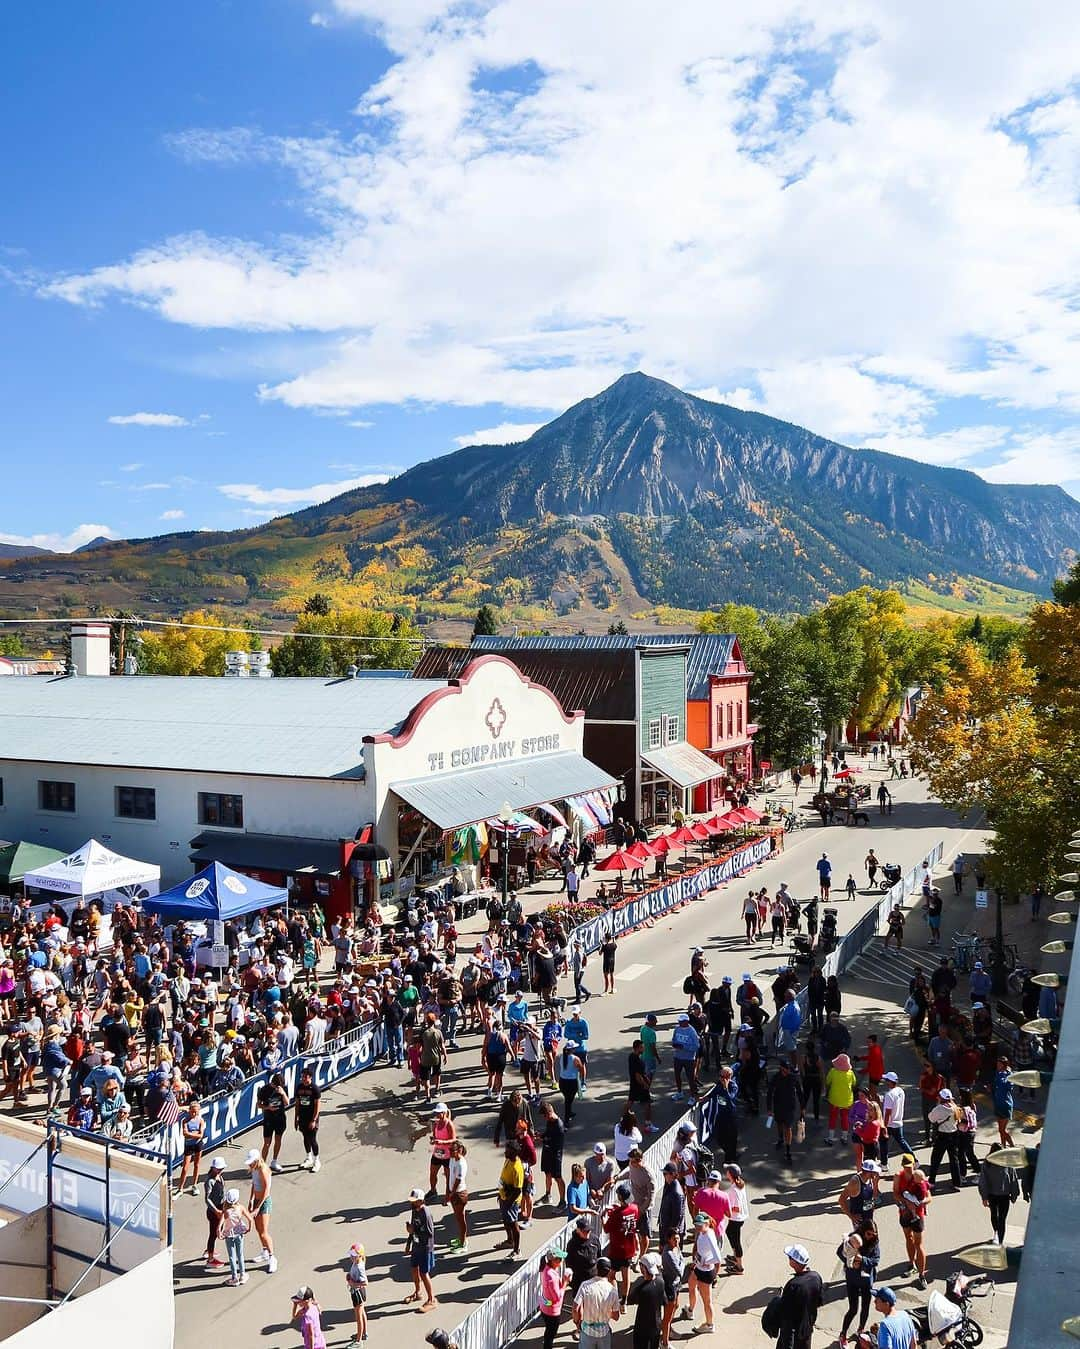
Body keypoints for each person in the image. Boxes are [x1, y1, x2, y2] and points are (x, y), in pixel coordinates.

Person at [838, 1220, 880, 1348]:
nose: (871, 1236)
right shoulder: (853, 1238)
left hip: (866, 1281)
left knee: (865, 1307)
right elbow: (840, 1252)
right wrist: (849, 1263)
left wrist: (863, 1260)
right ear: (862, 1231)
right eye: (868, 1234)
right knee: (853, 1309)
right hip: (853, 1280)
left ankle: (860, 1330)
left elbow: (876, 1260)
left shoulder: (874, 1242)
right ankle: (843, 1334)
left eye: (873, 1234)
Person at [891, 1156, 930, 1290]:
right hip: (904, 1213)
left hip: (917, 1215)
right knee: (908, 1238)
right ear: (902, 1166)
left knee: (918, 1244)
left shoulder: (919, 1176)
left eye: (910, 1166)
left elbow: (929, 1197)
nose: (908, 1169)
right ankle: (911, 1264)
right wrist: (904, 1201)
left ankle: (922, 1275)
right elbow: (895, 1194)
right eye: (906, 1166)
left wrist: (920, 1202)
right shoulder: (898, 1176)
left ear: (914, 1164)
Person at [775, 1244, 824, 1349]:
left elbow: (786, 1315)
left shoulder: (793, 1285)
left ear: (795, 1262)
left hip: (792, 1333)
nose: (789, 1260)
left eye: (790, 1258)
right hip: (807, 1329)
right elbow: (819, 1301)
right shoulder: (816, 1276)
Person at [574, 1256, 621, 1349]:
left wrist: (577, 1321)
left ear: (596, 1269)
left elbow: (575, 1308)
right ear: (609, 1271)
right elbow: (616, 1316)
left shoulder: (585, 1285)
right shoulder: (613, 1290)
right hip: (604, 1333)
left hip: (587, 1332)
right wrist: (606, 1312)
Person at [603, 1182, 640, 1303]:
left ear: (620, 1197)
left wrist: (603, 1218)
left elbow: (606, 1228)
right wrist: (616, 1208)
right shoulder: (635, 1208)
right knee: (626, 1275)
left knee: (611, 1275)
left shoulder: (616, 1214)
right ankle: (624, 1301)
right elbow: (626, 1212)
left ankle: (614, 1299)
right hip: (630, 1248)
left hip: (617, 1250)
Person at [686, 1212, 721, 1333]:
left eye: (700, 1226)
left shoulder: (710, 1236)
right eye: (696, 1225)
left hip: (706, 1272)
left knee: (707, 1301)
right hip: (698, 1268)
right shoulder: (702, 1232)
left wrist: (707, 1261)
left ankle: (710, 1325)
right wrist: (697, 1260)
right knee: (691, 1285)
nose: (697, 1228)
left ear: (706, 1224)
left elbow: (718, 1258)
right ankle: (690, 1310)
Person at [978, 1143, 1021, 1245]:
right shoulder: (1007, 1163)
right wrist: (1014, 1194)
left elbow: (983, 1181)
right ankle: (1000, 1239)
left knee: (995, 1215)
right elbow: (1013, 1179)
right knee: (1002, 1218)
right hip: (1004, 1196)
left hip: (992, 1195)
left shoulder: (987, 1163)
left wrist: (984, 1197)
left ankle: (996, 1234)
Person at [246, 1148, 278, 1273]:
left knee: (264, 1232)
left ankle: (272, 1257)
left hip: (264, 1203)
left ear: (257, 1160)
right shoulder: (254, 1169)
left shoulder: (264, 1170)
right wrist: (251, 1200)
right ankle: (265, 1251)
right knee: (258, 1229)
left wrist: (258, 1207)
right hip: (256, 1202)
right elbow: (254, 1185)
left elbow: (266, 1191)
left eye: (251, 1162)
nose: (249, 1164)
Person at [406, 1187, 438, 1308]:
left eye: (414, 1201)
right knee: (414, 1268)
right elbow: (412, 1227)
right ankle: (418, 1292)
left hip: (425, 1247)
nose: (411, 1203)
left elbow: (430, 1233)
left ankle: (431, 1299)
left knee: (424, 1273)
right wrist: (408, 1244)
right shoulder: (415, 1210)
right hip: (416, 1245)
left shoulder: (426, 1214)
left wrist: (415, 1231)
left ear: (420, 1200)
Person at [627, 1252, 667, 1349]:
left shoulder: (642, 1289)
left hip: (642, 1327)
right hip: (656, 1324)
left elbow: (630, 1299)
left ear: (643, 1268)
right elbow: (665, 1301)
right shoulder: (660, 1282)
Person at [926, 1088, 962, 1190]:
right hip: (954, 1134)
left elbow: (931, 1118)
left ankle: (932, 1182)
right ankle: (957, 1183)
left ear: (941, 1098)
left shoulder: (939, 1109)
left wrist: (937, 1105)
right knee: (954, 1159)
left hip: (942, 1136)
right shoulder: (955, 1108)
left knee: (936, 1159)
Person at [539, 1247, 571, 1349]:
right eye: (560, 1259)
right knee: (551, 1334)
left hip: (545, 1306)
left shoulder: (546, 1269)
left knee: (548, 1332)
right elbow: (557, 1297)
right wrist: (565, 1282)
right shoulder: (551, 1276)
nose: (561, 1261)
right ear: (553, 1260)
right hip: (552, 1311)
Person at [220, 1187, 252, 1287]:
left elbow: (220, 1223)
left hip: (229, 1235)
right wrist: (249, 1228)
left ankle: (234, 1278)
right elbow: (250, 1219)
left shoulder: (226, 1210)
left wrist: (219, 1231)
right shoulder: (240, 1208)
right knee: (240, 1255)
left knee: (231, 1257)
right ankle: (242, 1275)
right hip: (239, 1234)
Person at [498, 1145, 525, 1261]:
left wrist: (508, 1202)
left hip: (511, 1201)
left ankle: (517, 1250)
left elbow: (518, 1190)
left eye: (507, 1151)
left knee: (513, 1223)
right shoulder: (508, 1160)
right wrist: (500, 1194)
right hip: (504, 1197)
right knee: (506, 1220)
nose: (505, 1152)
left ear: (514, 1153)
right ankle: (510, 1240)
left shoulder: (517, 1168)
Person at [880, 1072, 914, 1164]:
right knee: (902, 1142)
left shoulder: (889, 1095)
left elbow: (888, 1113)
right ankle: (914, 1160)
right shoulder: (900, 1091)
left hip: (890, 1124)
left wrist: (884, 1127)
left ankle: (884, 1164)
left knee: (883, 1142)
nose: (885, 1082)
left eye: (886, 1080)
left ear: (890, 1082)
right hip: (898, 1122)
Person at [258, 1072, 290, 1171]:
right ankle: (261, 1165)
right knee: (267, 1143)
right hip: (269, 1119)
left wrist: (283, 1093)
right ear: (273, 1083)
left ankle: (274, 1161)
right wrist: (268, 1107)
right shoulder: (264, 1089)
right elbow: (259, 1105)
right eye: (276, 1086)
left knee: (278, 1140)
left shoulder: (283, 1089)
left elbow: (287, 1103)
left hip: (280, 1118)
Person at [295, 1066, 322, 1173]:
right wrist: (296, 1118)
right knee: (305, 1137)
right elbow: (297, 1103)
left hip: (311, 1118)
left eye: (305, 1077)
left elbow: (318, 1106)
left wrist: (314, 1120)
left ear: (310, 1078)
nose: (303, 1079)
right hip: (302, 1117)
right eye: (302, 1077)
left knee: (312, 1139)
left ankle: (317, 1161)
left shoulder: (315, 1089)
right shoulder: (299, 1088)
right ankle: (308, 1158)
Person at [825, 1053, 857, 1145]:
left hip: (834, 1100)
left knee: (833, 1118)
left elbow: (828, 1081)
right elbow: (854, 1083)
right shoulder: (850, 1073)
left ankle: (830, 1138)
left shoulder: (833, 1071)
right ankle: (844, 1137)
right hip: (847, 1100)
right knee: (845, 1118)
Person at [203, 1156, 228, 1270]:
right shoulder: (210, 1181)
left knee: (215, 1232)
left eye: (221, 1168)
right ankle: (210, 1259)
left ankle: (209, 1251)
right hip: (213, 1212)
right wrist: (216, 1210)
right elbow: (207, 1199)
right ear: (213, 1168)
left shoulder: (220, 1177)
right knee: (213, 1234)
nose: (220, 1170)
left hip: (220, 1208)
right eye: (218, 1168)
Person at [671, 1013, 700, 1104]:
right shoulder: (677, 1028)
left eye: (681, 1021)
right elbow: (674, 1039)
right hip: (677, 1057)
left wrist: (683, 1047)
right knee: (677, 1075)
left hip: (689, 1059)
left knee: (690, 1078)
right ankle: (679, 1092)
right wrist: (674, 1044)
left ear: (686, 1021)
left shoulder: (692, 1031)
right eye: (679, 1021)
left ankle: (692, 1097)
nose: (679, 1023)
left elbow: (696, 1046)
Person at [558, 1041, 588, 1124]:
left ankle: (569, 1113)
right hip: (571, 1083)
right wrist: (582, 1080)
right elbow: (582, 1069)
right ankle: (566, 1120)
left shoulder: (561, 1057)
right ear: (572, 1049)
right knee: (568, 1101)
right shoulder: (575, 1059)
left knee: (568, 1099)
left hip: (562, 1082)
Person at [658, 1162, 686, 1246]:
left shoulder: (676, 1193)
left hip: (671, 1233)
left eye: (665, 1173)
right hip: (666, 1228)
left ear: (673, 1174)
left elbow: (678, 1216)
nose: (664, 1176)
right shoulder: (669, 1186)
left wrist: (671, 1235)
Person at [345, 1243, 369, 1344]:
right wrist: (350, 1276)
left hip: (358, 1293)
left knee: (358, 1317)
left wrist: (352, 1283)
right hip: (357, 1292)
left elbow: (365, 1282)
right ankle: (364, 1333)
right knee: (362, 1313)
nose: (351, 1257)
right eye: (351, 1255)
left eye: (353, 1255)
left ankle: (358, 1341)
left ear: (359, 1255)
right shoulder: (357, 1262)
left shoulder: (359, 1267)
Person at [992, 1057, 1016, 1146]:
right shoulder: (998, 1073)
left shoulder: (1007, 1076)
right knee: (1000, 1130)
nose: (997, 1066)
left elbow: (1008, 1086)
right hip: (998, 1103)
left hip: (1005, 1104)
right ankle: (1003, 1145)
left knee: (1002, 1130)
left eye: (999, 1064)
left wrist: (1006, 1074)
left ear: (1003, 1065)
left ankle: (1012, 1145)